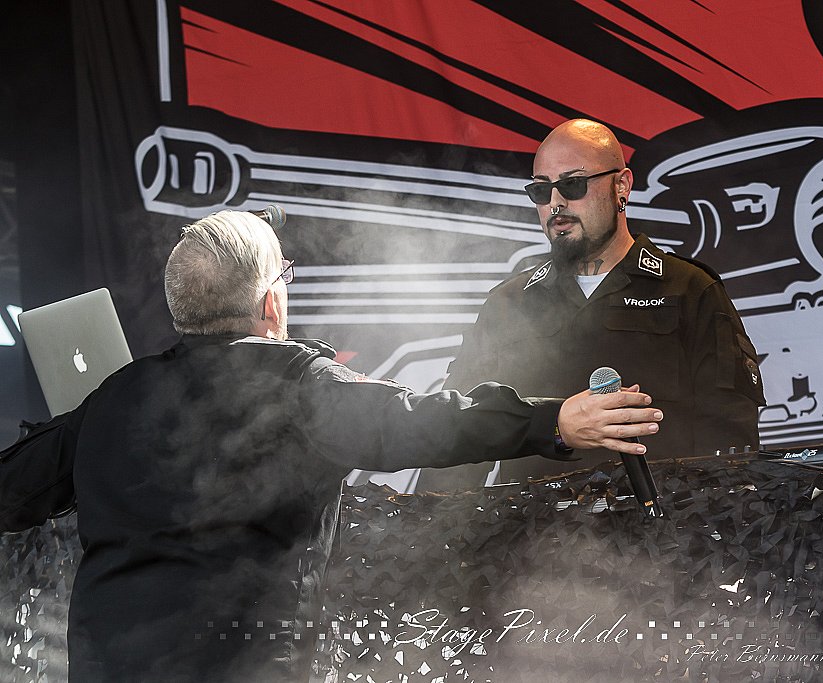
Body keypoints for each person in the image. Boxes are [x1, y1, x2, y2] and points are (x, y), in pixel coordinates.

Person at [0, 210, 662, 682]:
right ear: (270, 303)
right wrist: (553, 421)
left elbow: (11, 490)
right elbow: (417, 422)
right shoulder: (298, 385)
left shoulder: (111, 397)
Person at [424, 119, 764, 488]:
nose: (556, 203)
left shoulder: (690, 289)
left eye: (573, 184)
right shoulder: (507, 304)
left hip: (659, 522)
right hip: (533, 524)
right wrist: (435, 522)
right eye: (541, 190)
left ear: (622, 186)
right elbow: (458, 439)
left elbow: (730, 449)